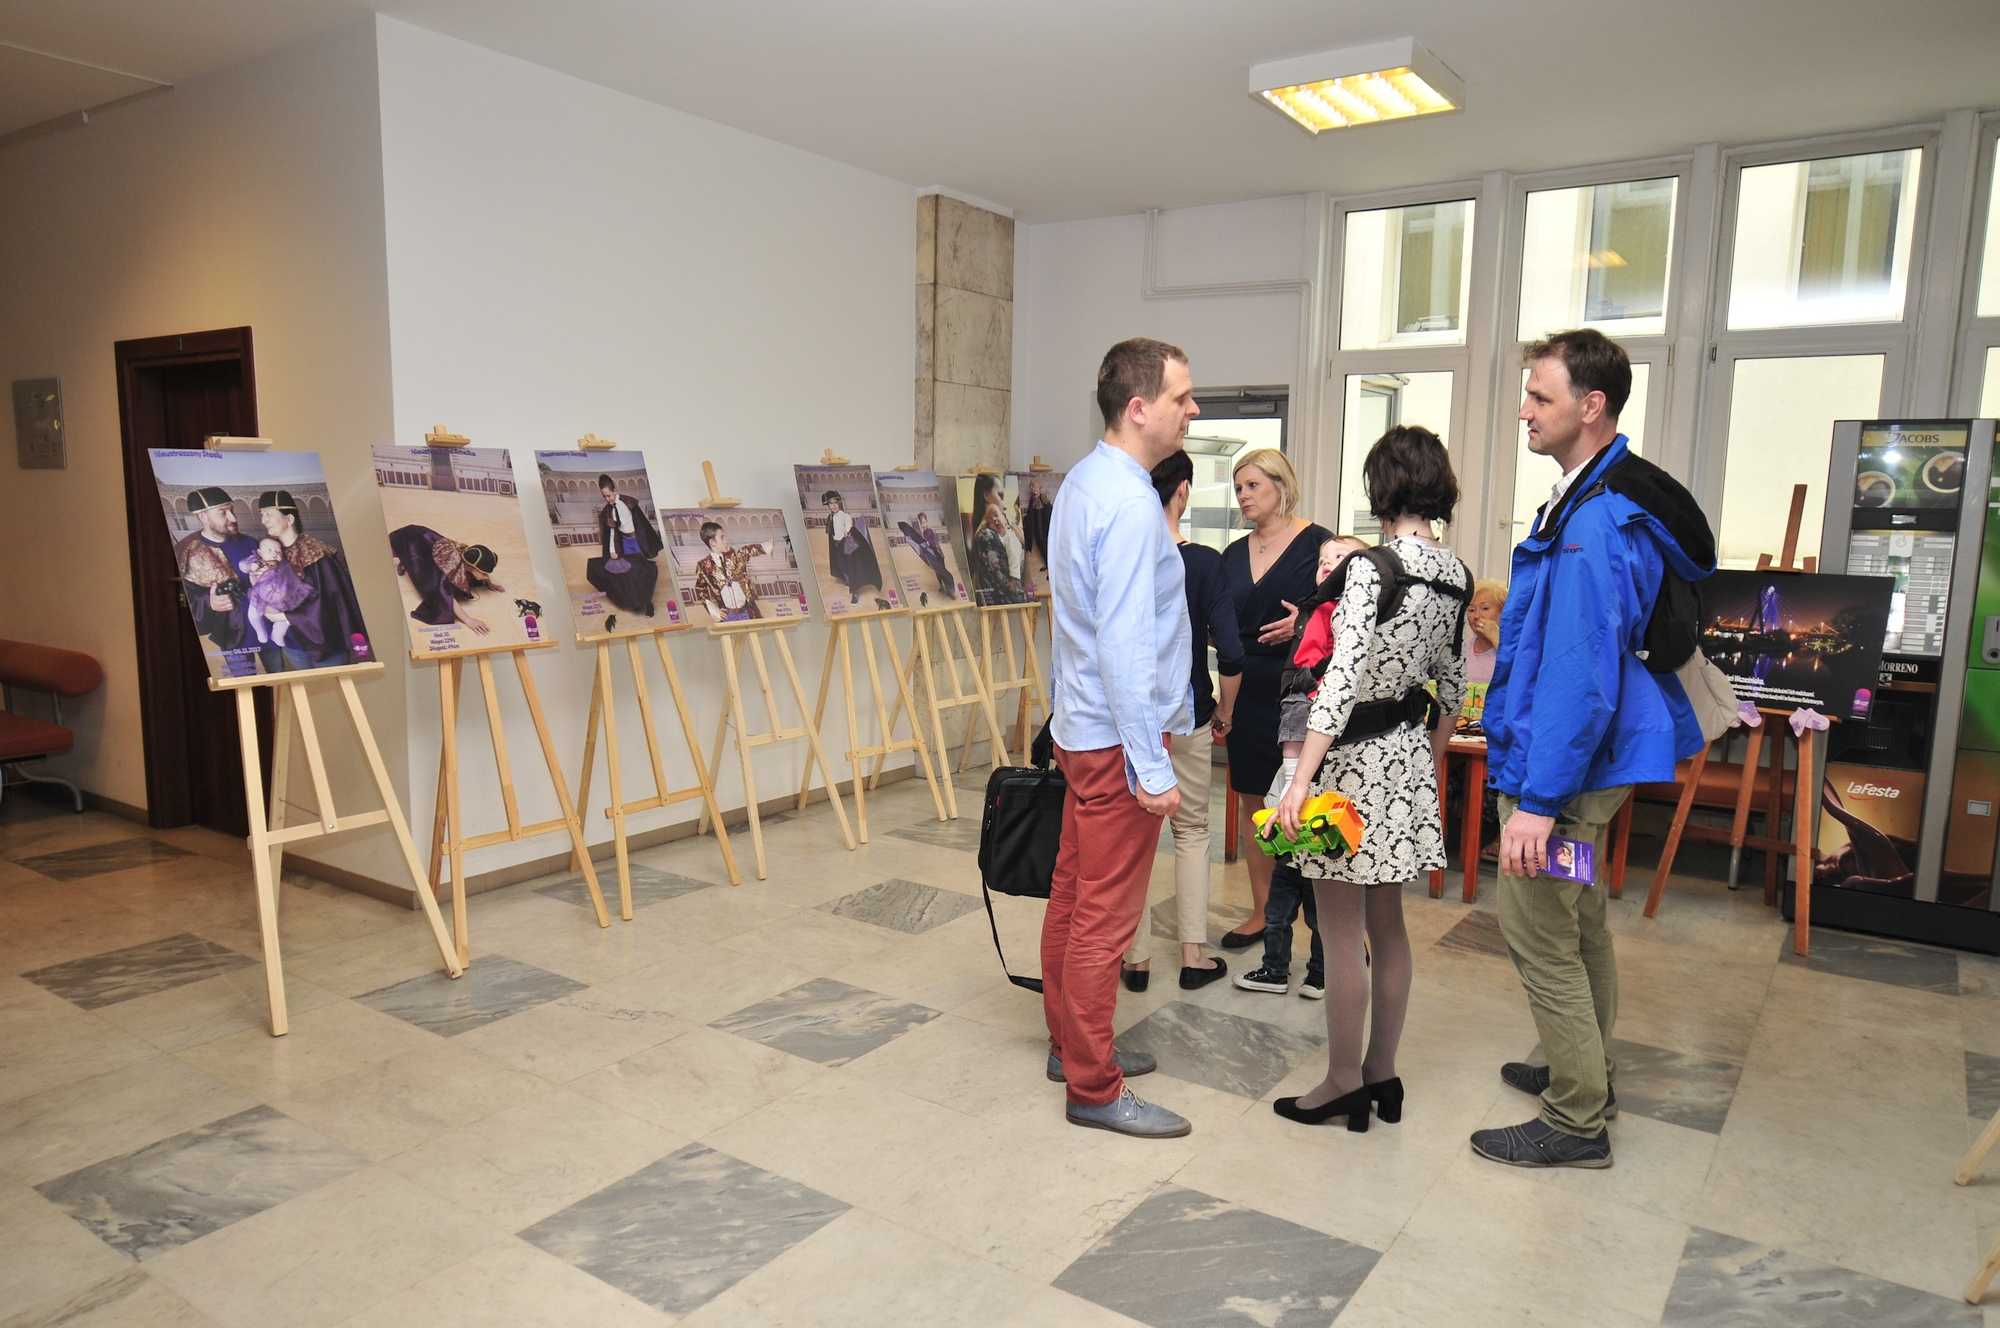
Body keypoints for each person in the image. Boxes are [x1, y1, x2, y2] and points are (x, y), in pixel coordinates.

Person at [1472, 328, 1714, 1169]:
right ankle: (1589, 1075)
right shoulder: (1594, 499)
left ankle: (1576, 1120)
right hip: (1590, 763)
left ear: (1592, 405)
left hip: (1568, 772)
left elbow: (1577, 673)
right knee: (1577, 921)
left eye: (1540, 397)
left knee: (1539, 931)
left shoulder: (1594, 523)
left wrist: (1538, 803)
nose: (1524, 410)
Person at [1273, 425, 1469, 1132]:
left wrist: (1300, 779)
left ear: (1380, 488)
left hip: (1349, 764)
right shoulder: (1456, 575)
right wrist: (1429, 763)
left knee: (1338, 931)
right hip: (1406, 758)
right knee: (1388, 928)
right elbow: (1453, 686)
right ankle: (1382, 1075)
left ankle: (1341, 1081)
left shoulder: (1371, 569)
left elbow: (1340, 681)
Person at [1042, 336, 1198, 1139]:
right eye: (1181, 398)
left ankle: (1071, 1047)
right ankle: (1094, 1088)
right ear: (1139, 409)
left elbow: (1076, 623)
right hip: (1115, 741)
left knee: (1074, 895)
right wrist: (1150, 767)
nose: (1192, 410)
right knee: (1104, 916)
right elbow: (1125, 646)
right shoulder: (1134, 505)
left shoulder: (1083, 481)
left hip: (1083, 728)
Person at [1120, 448, 1240, 994]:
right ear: (1184, 491)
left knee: (1136, 839)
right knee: (1190, 830)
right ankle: (1193, 956)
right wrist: (1225, 711)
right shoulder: (1204, 563)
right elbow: (1231, 652)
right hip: (1188, 714)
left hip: (1132, 722)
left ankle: (1137, 960)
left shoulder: (1128, 559)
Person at [1235, 533, 1368, 999]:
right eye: (1323, 559)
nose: (1328, 564)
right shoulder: (1315, 607)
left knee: (1320, 897)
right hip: (1303, 696)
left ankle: (1321, 970)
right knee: (1282, 898)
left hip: (1329, 713)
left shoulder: (1359, 611)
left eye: (1340, 558)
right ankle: (1278, 969)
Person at [1219, 449, 1335, 951]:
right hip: (1245, 688)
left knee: (1308, 802)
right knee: (1253, 801)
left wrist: (1303, 623)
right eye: (1238, 488)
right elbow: (1219, 618)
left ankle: (1330, 926)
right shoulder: (1231, 554)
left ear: (1281, 486)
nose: (1243, 496)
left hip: (1302, 688)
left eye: (1252, 485)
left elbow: (1348, 611)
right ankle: (1264, 914)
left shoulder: (1320, 543)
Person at [256, 491, 368, 669]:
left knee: (333, 685)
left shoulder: (316, 554)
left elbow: (331, 604)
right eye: (262, 515)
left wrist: (283, 616)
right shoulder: (271, 553)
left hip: (327, 643)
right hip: (293, 644)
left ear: (289, 519)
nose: (264, 520)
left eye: (269, 514)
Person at [174, 487, 258, 656]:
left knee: (277, 670)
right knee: (242, 673)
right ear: (202, 517)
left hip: (267, 630)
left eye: (231, 510)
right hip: (232, 636)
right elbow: (179, 597)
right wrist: (208, 602)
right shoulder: (185, 551)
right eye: (223, 512)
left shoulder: (249, 542)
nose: (233, 518)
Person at [389, 523, 506, 636]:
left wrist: (489, 584)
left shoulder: (469, 560)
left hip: (426, 540)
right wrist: (467, 619)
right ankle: (406, 563)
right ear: (471, 567)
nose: (485, 577)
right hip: (413, 537)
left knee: (423, 557)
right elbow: (445, 596)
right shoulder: (449, 571)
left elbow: (482, 569)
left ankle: (406, 563)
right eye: (484, 574)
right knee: (419, 560)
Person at [586, 473, 662, 617]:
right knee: (629, 572)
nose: (607, 499)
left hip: (637, 540)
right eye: (604, 496)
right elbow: (612, 531)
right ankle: (637, 602)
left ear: (614, 490)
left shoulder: (628, 503)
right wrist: (612, 550)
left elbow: (641, 524)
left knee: (642, 572)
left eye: (609, 495)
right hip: (625, 542)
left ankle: (648, 603)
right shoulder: (609, 510)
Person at [822, 489, 890, 611]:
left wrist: (847, 531)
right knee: (840, 565)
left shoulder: (844, 515)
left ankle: (854, 593)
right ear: (828, 505)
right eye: (831, 503)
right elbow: (831, 532)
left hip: (844, 544)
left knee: (850, 567)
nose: (834, 505)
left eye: (835, 503)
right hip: (836, 544)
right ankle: (849, 580)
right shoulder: (830, 517)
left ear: (839, 503)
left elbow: (849, 523)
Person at [239, 537, 311, 648]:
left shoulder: (284, 565)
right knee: (253, 615)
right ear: (260, 552)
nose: (274, 553)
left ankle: (277, 635)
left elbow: (291, 579)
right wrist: (250, 566)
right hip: (260, 596)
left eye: (278, 551)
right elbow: (242, 565)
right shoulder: (256, 560)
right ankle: (260, 632)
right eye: (269, 550)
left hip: (279, 598)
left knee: (286, 618)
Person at [693, 521, 768, 623]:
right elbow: (700, 589)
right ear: (712, 542)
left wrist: (765, 547)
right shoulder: (704, 565)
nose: (725, 541)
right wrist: (715, 611)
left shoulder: (733, 555)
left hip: (746, 611)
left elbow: (747, 551)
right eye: (722, 538)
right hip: (728, 616)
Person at [971, 502, 1029, 605]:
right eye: (990, 520)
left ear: (1004, 518)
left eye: (996, 515)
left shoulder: (1010, 536)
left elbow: (1014, 558)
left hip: (1017, 573)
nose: (994, 519)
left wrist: (1014, 581)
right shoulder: (998, 537)